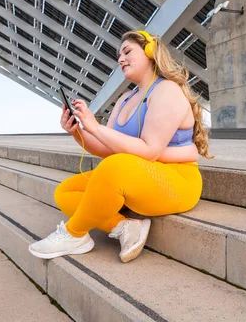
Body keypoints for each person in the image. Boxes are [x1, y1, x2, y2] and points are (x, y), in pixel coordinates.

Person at [28, 30, 212, 263]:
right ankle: (125, 226)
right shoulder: (125, 99)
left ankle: (73, 234)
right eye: (119, 55)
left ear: (149, 52)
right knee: (65, 191)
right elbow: (106, 147)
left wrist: (96, 127)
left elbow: (150, 151)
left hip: (178, 182)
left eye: (127, 52)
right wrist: (78, 131)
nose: (120, 59)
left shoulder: (166, 90)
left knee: (114, 165)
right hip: (138, 175)